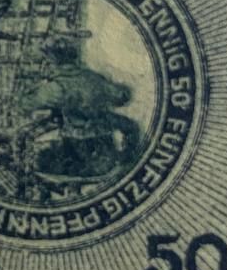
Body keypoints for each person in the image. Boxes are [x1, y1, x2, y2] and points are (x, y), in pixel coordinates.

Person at [18, 35, 142, 180]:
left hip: (76, 158)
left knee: (32, 156)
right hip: (106, 157)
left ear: (52, 60)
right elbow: (122, 96)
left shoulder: (56, 87)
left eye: (47, 59)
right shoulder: (94, 78)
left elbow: (24, 104)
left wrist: (38, 85)